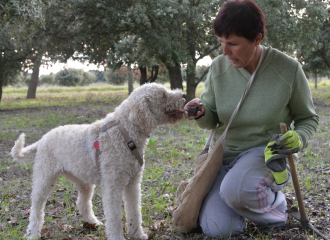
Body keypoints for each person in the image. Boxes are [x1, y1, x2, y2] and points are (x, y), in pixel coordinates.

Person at [184, 0, 319, 238]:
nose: (224, 52)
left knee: (236, 190)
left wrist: (298, 138)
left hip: (266, 153)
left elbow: (308, 118)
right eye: (221, 42)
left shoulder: (288, 69)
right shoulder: (218, 67)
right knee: (218, 230)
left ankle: (276, 210)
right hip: (225, 159)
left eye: (233, 44)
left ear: (257, 39)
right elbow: (213, 119)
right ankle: (240, 197)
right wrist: (202, 113)